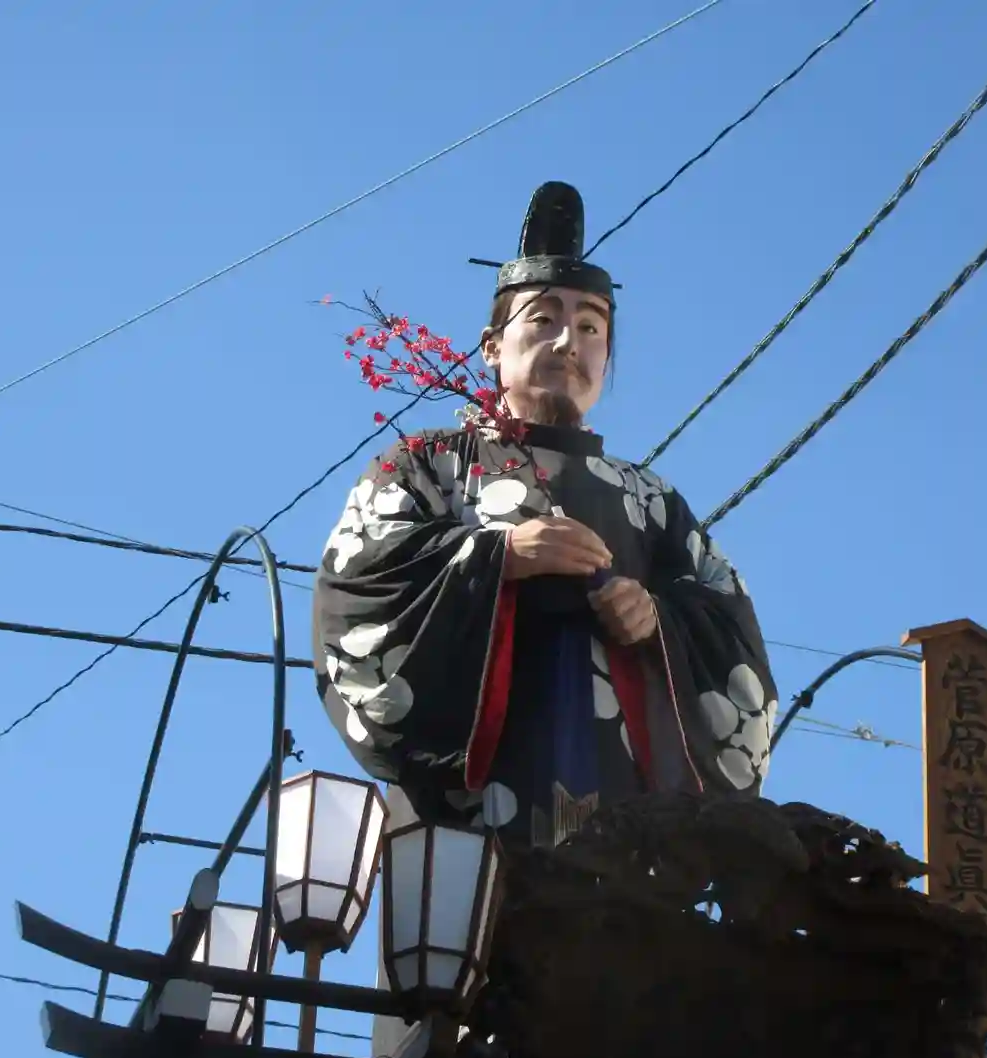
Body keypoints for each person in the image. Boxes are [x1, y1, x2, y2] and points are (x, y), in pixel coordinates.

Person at [312, 182, 778, 853]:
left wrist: (658, 621)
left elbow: (727, 623)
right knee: (471, 900)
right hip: (470, 818)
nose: (568, 342)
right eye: (543, 320)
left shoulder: (652, 499)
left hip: (622, 807)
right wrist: (496, 558)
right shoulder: (426, 464)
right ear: (491, 346)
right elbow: (361, 580)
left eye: (591, 327)